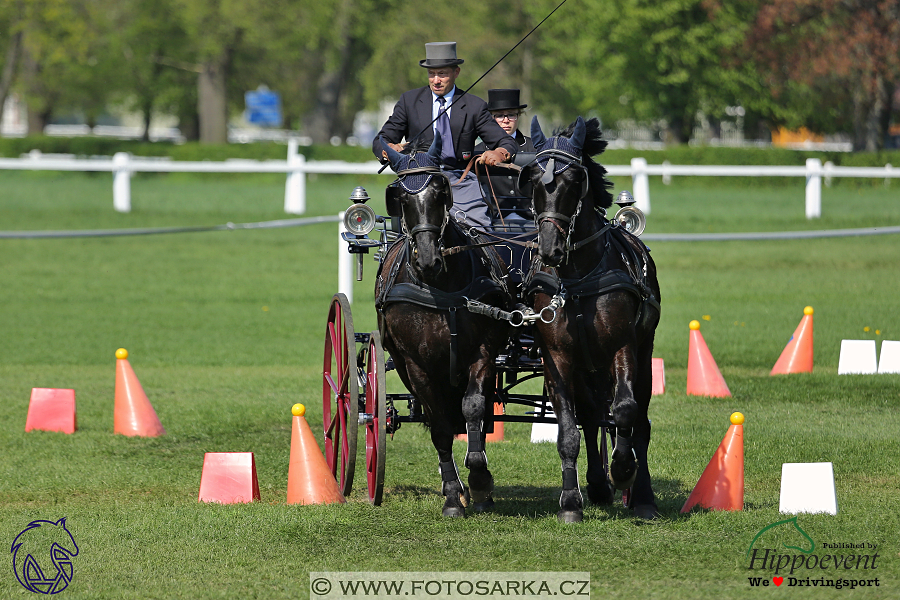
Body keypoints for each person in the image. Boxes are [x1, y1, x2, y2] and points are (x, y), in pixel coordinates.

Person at [372, 42, 518, 229]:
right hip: (418, 179)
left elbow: (505, 141)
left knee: (480, 231)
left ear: (456, 72)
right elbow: (381, 140)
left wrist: (500, 153)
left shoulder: (474, 106)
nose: (436, 80)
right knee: (408, 234)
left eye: (442, 74)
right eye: (431, 74)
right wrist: (388, 150)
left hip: (459, 181)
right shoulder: (409, 101)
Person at [475, 89, 535, 222]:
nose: (506, 120)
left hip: (532, 221)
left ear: (518, 116)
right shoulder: (478, 152)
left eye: (511, 115)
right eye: (500, 116)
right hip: (493, 221)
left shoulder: (534, 148)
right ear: (490, 118)